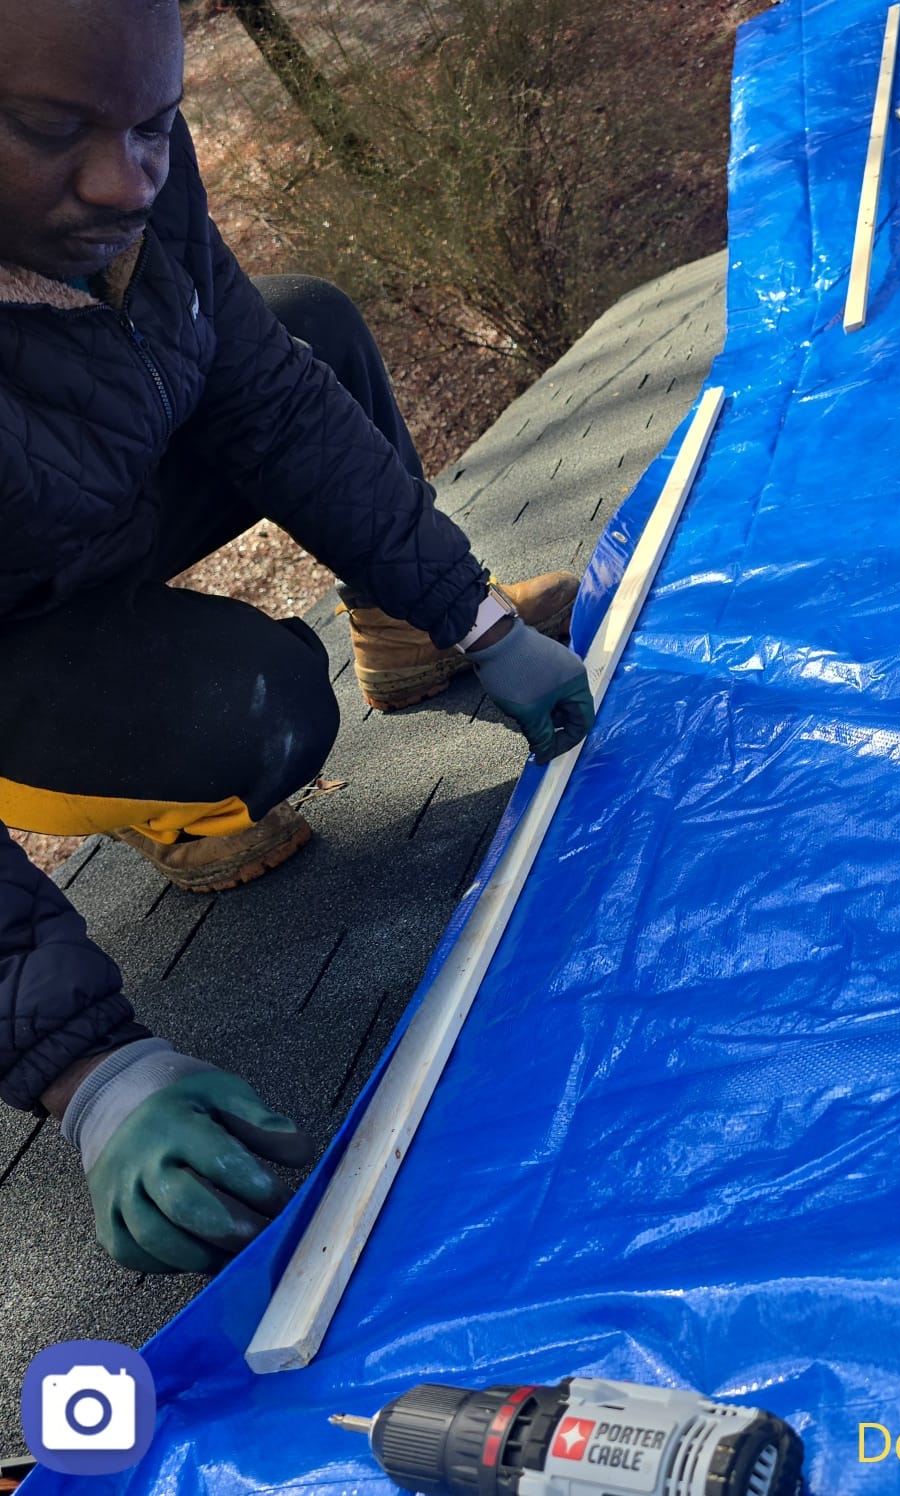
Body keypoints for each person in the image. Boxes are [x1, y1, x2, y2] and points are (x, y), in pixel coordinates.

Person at [0, 0, 597, 1274]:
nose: (124, 180)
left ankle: (405, 640)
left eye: (154, 123)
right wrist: (87, 1069)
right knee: (261, 711)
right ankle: (154, 798)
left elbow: (268, 400)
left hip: (67, 506)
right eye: (49, 128)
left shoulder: (125, 170)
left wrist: (472, 615)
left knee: (306, 325)